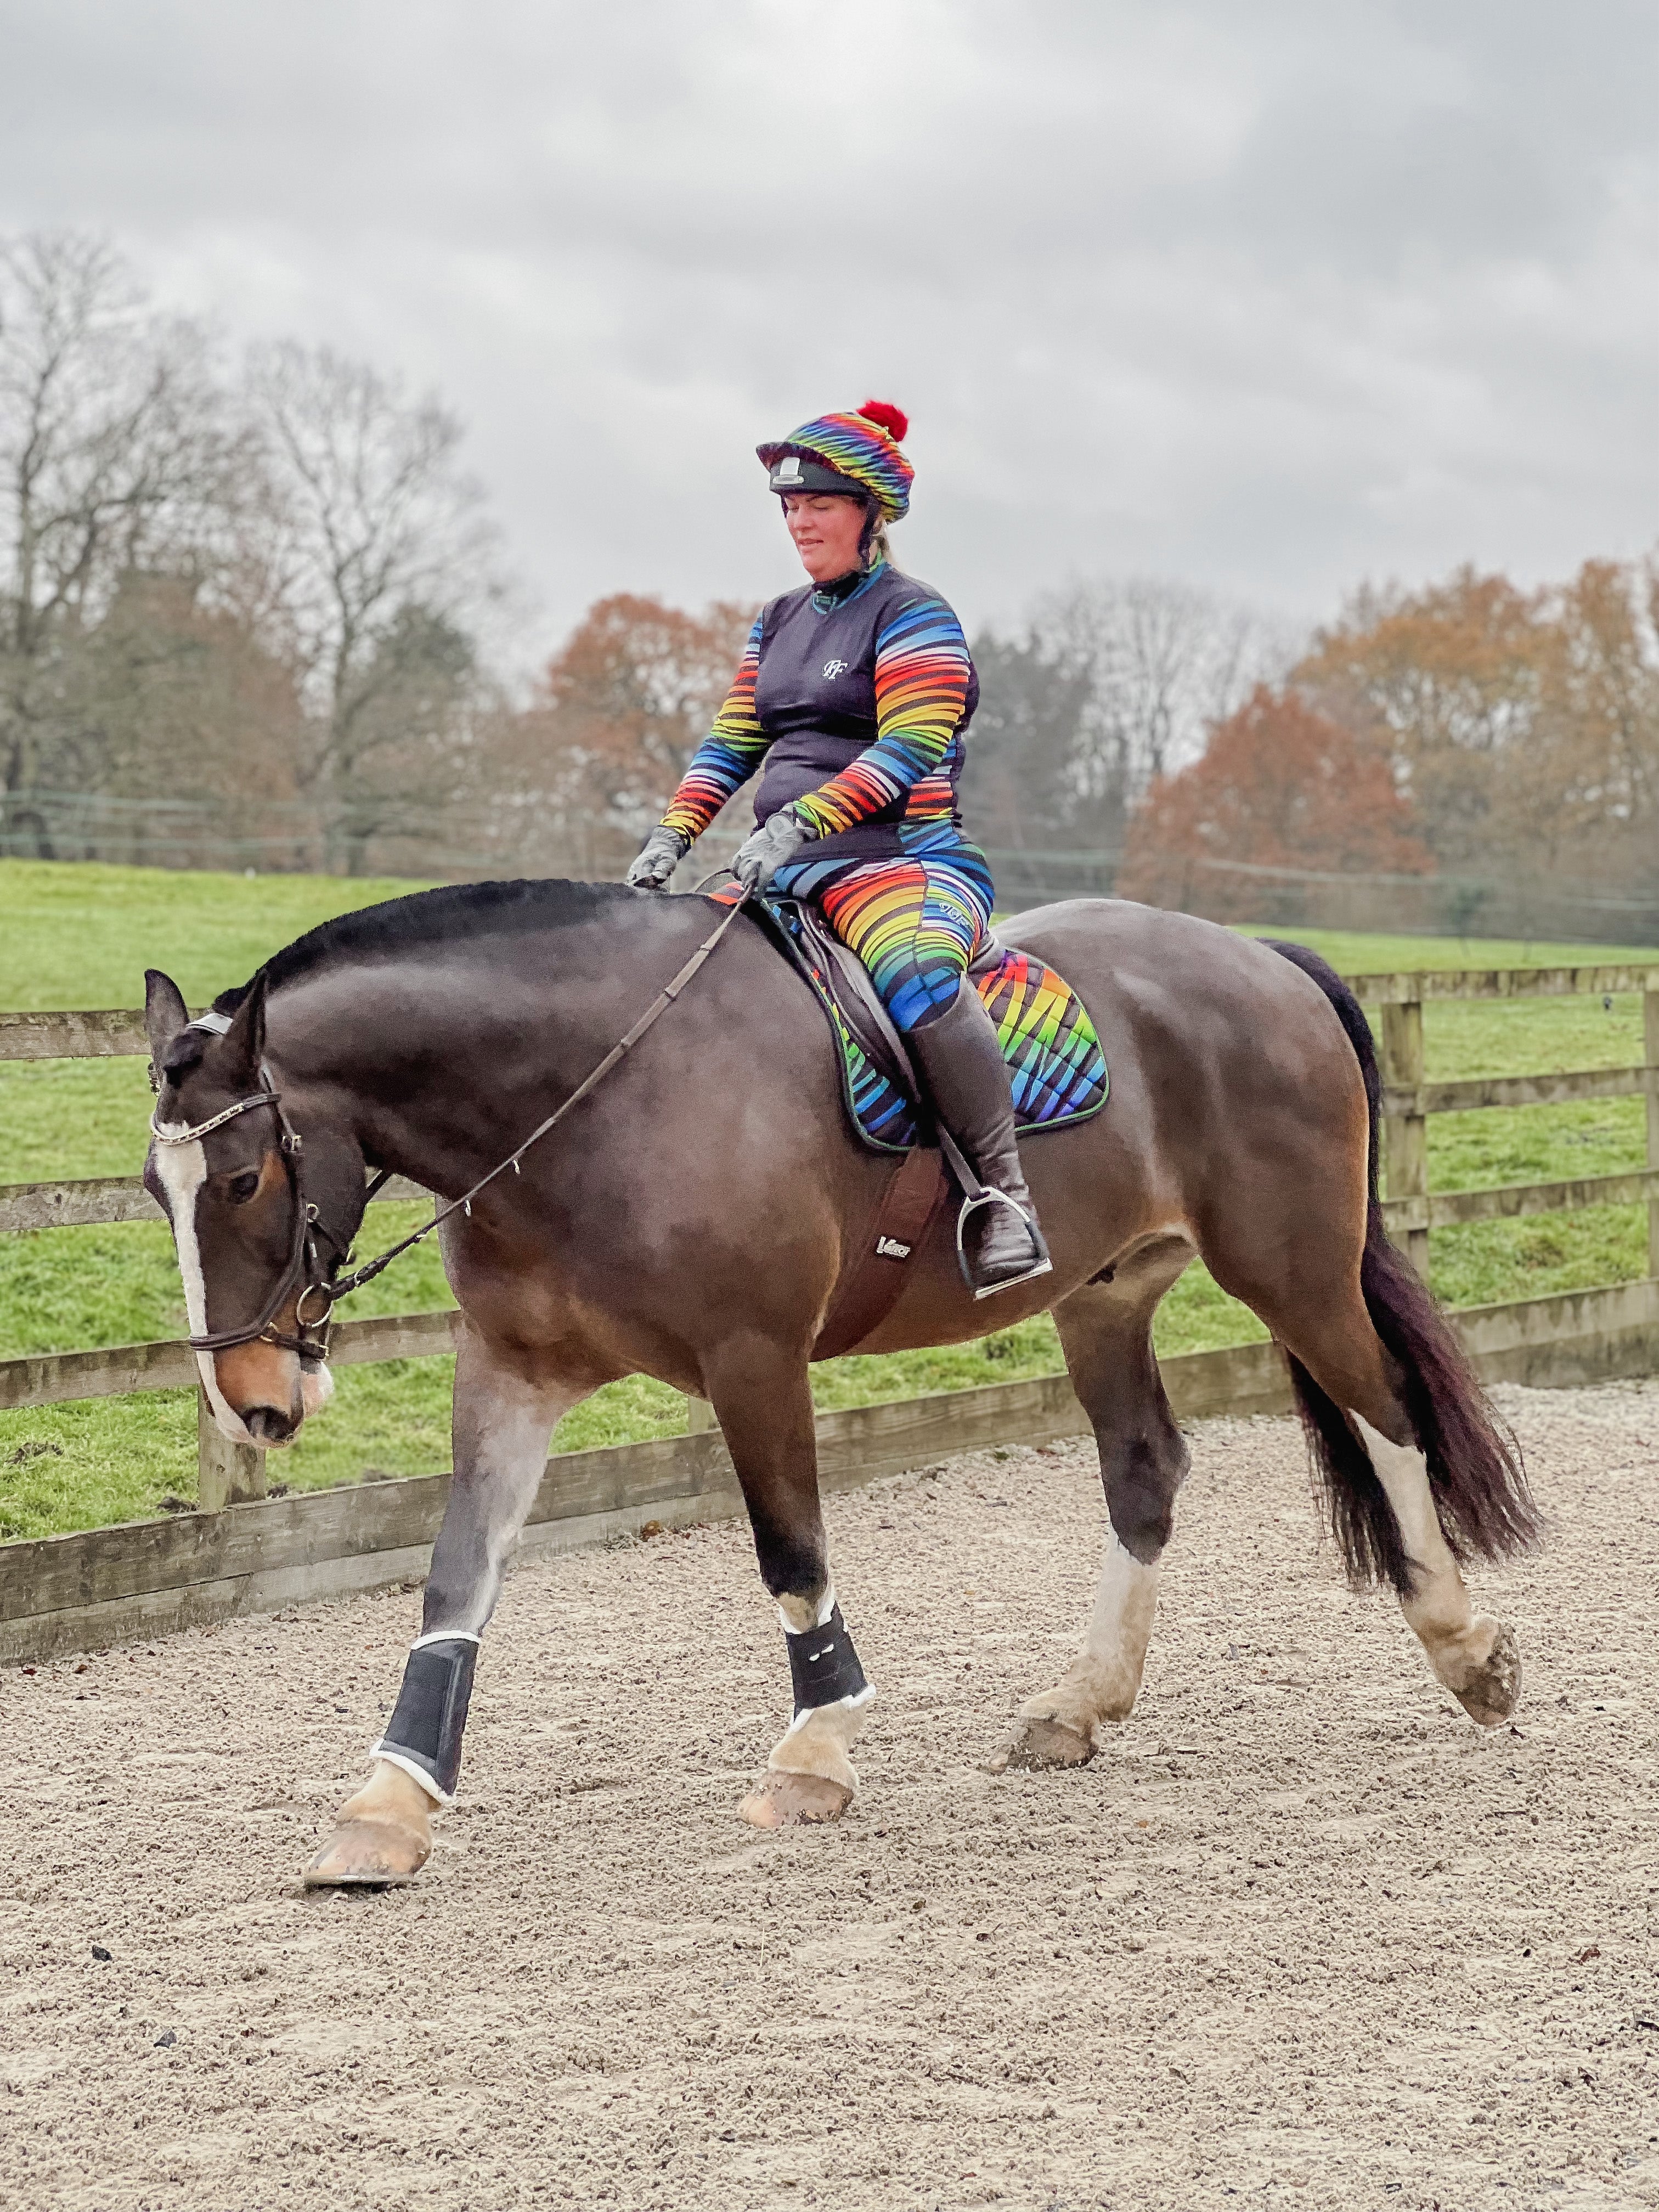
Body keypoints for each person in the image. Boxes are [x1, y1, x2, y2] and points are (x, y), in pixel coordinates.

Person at [626, 400, 1049, 1298]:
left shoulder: (917, 616)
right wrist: (673, 835)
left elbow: (907, 749)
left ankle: (1003, 1199)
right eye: (789, 508)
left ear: (870, 511)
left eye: (819, 503)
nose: (800, 523)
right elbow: (734, 740)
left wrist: (799, 825)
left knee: (919, 976)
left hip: (902, 865)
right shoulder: (777, 619)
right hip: (780, 870)